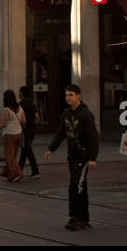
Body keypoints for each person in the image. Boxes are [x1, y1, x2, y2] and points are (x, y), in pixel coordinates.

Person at [45, 84, 99, 231]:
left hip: (83, 157)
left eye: (70, 95)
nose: (67, 98)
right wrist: (51, 148)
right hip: (72, 156)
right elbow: (60, 132)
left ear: (78, 96)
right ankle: (83, 218)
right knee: (79, 186)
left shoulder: (85, 115)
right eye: (66, 95)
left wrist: (92, 158)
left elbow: (93, 137)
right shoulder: (67, 113)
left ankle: (77, 217)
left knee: (75, 185)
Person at [0, 91, 24, 182]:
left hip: (9, 134)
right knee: (13, 154)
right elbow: (24, 121)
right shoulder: (20, 107)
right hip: (18, 133)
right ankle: (8, 173)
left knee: (9, 156)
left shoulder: (6, 109)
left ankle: (17, 173)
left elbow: (3, 124)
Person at [18, 85, 40, 176]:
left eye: (20, 92)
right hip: (32, 128)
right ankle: (19, 169)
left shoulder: (21, 103)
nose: (18, 93)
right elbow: (37, 117)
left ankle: (35, 171)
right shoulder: (32, 103)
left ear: (22, 93)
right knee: (25, 150)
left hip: (25, 129)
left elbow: (20, 118)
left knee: (27, 149)